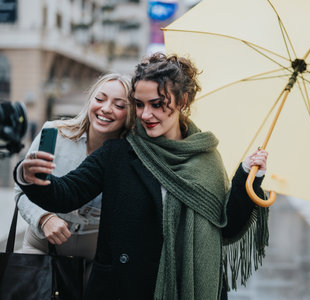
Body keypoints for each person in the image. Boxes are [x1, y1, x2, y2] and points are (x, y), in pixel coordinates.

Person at [15, 53, 269, 300]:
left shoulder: (205, 159)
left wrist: (247, 176)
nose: (145, 115)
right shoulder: (118, 152)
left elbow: (227, 227)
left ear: (182, 101)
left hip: (184, 288)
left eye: (157, 104)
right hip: (121, 289)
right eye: (139, 104)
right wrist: (33, 177)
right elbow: (67, 194)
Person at [14, 73, 134, 279]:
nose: (105, 109)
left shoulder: (130, 155)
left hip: (96, 251)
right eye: (100, 99)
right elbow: (21, 192)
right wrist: (44, 218)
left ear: (130, 113)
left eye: (119, 105)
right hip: (43, 243)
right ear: (90, 101)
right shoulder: (55, 133)